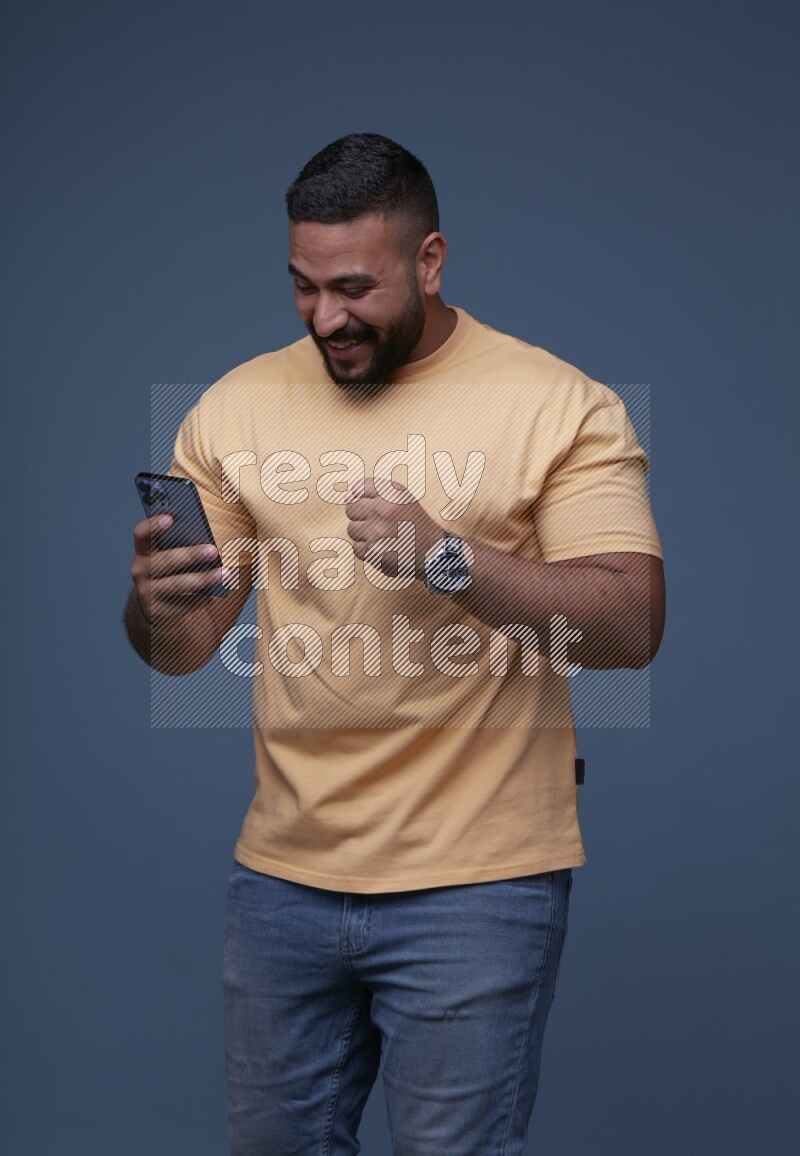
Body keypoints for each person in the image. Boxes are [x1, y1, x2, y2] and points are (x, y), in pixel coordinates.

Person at [125, 133, 665, 1156]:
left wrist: (444, 558)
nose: (325, 317)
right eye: (302, 286)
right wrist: (154, 604)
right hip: (281, 877)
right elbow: (187, 648)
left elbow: (630, 625)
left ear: (429, 261)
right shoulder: (233, 407)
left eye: (354, 287)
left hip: (478, 881)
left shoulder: (558, 404)